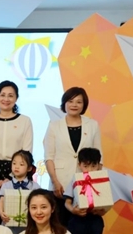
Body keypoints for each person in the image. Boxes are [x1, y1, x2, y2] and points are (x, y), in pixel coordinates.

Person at [44, 87, 102, 226]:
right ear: (64, 103)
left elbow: (99, 157)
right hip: (61, 183)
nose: (74, 105)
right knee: (60, 225)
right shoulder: (54, 126)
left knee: (83, 226)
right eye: (70, 101)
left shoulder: (92, 125)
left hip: (85, 184)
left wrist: (95, 183)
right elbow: (49, 157)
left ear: (84, 105)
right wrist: (55, 181)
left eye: (78, 102)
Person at [0, 81, 33, 202]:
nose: (6, 99)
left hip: (18, 173)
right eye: (2, 95)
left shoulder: (25, 121)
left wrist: (12, 177)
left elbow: (26, 152)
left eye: (10, 95)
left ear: (16, 98)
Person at [0, 150, 41, 234]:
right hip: (9, 224)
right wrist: (1, 212)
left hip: (28, 225)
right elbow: (1, 200)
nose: (16, 167)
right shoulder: (6, 185)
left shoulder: (35, 186)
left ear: (29, 168)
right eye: (14, 163)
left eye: (21, 164)